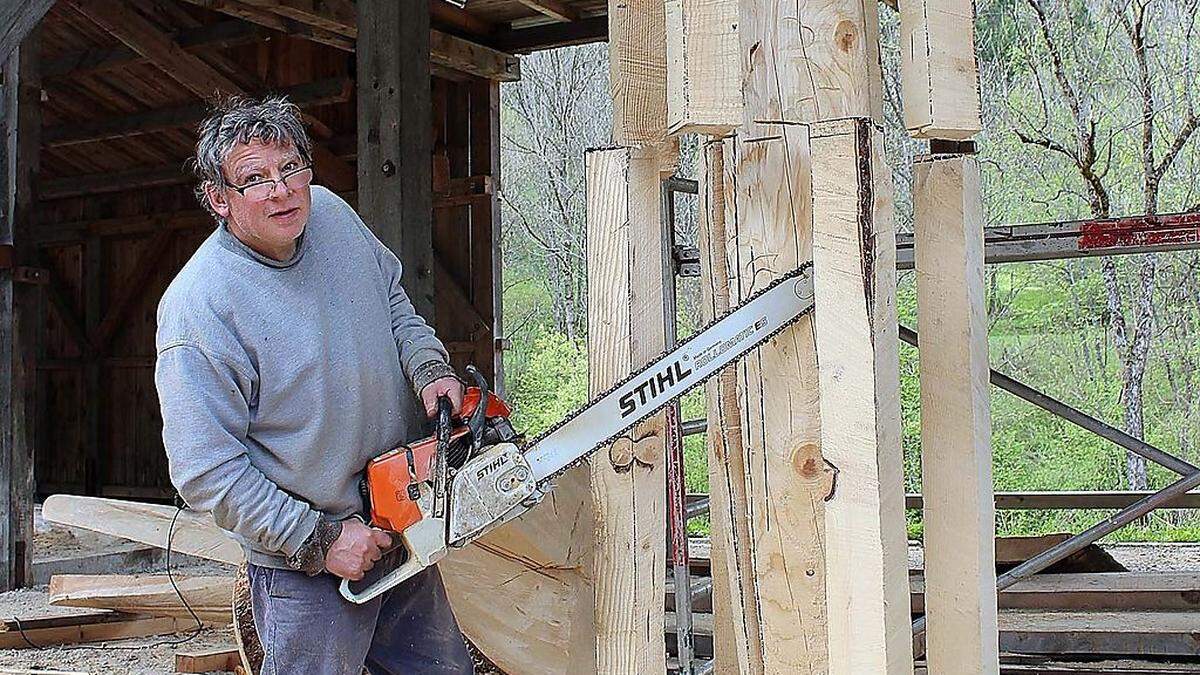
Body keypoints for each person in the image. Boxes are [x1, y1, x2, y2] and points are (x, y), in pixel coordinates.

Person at [154, 95, 475, 674]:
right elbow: (206, 470)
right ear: (218, 199)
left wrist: (429, 366)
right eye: (254, 179)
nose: (280, 191)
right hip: (308, 564)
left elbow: (393, 299)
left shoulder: (329, 214)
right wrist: (319, 539)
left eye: (290, 169)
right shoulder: (200, 308)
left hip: (400, 520)